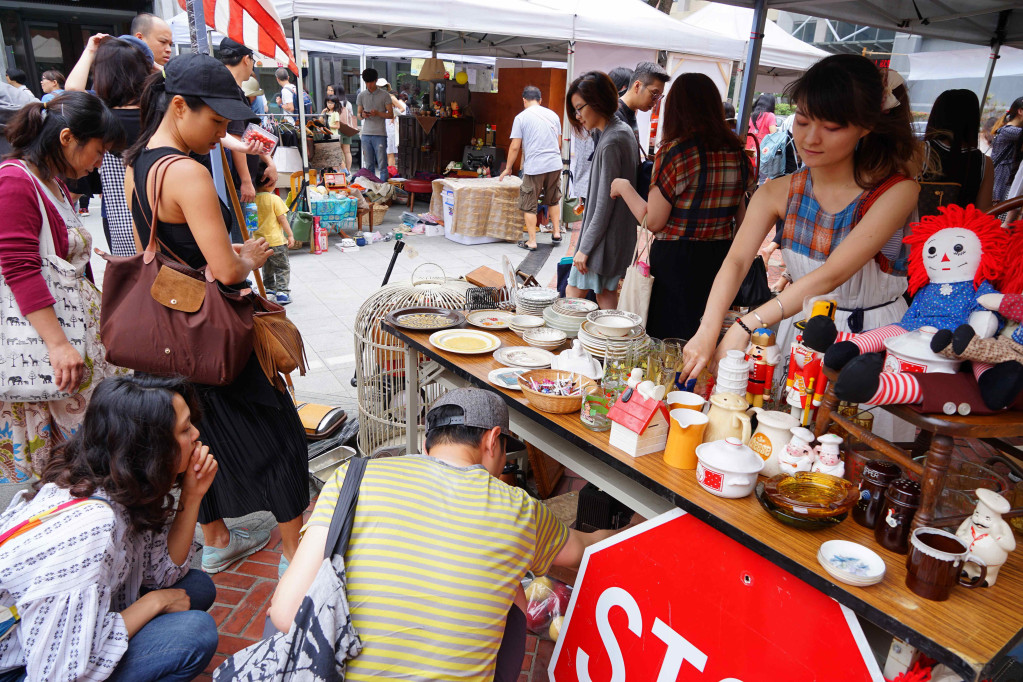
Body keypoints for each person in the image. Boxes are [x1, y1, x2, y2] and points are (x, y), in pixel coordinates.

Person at [269, 388, 611, 681]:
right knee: (515, 597)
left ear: (428, 444)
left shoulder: (354, 475)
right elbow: (578, 551)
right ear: (493, 440)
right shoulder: (520, 508)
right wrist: (618, 531)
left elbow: (284, 615)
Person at [123, 53, 308, 576]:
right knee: (276, 434)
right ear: (179, 106)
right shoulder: (187, 173)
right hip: (215, 334)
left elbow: (151, 252)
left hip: (171, 336)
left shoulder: (141, 162)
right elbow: (226, 270)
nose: (222, 133)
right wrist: (245, 255)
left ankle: (218, 537)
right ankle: (295, 553)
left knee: (194, 439)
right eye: (217, 121)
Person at [680, 56, 920, 433]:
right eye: (804, 121)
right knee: (782, 438)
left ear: (866, 127)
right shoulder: (778, 190)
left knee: (854, 452)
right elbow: (737, 261)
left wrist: (745, 324)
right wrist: (708, 329)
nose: (810, 138)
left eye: (832, 126)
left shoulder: (896, 191)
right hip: (802, 328)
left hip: (871, 335)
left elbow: (832, 274)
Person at [0, 375, 220, 681]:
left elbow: (161, 574)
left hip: (50, 637)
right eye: (184, 429)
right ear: (150, 448)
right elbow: (58, 671)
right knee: (194, 633)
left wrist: (193, 495)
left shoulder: (114, 479)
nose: (197, 434)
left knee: (196, 588)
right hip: (25, 666)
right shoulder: (93, 527)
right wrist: (153, 603)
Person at [0, 91, 126, 486]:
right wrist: (58, 345)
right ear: (68, 138)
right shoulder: (15, 181)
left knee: (90, 456)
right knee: (70, 465)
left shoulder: (52, 183)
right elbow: (19, 269)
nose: (99, 161)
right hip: (50, 347)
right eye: (98, 149)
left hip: (75, 341)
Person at [611, 72, 754, 338]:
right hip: (720, 258)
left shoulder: (675, 152)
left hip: (676, 260)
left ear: (676, 108)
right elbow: (743, 220)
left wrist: (624, 187)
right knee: (705, 333)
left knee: (668, 339)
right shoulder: (738, 154)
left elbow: (654, 221)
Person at [68, 36, 151, 256]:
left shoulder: (102, 115)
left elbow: (72, 89)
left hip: (119, 216)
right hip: (162, 212)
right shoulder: (157, 108)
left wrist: (90, 50)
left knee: (133, 280)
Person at [565, 72, 637, 309]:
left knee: (572, 296)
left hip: (602, 242)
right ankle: (610, 344)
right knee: (606, 297)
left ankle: (567, 343)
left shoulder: (612, 141)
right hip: (612, 238)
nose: (577, 115)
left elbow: (604, 205)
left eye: (579, 108)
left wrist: (584, 248)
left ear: (597, 101)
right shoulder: (619, 132)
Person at [500, 85, 563, 250]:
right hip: (555, 164)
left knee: (529, 203)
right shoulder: (554, 115)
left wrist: (508, 168)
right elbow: (559, 144)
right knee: (553, 199)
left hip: (535, 166)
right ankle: (556, 233)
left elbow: (515, 146)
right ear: (540, 100)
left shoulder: (521, 117)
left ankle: (532, 241)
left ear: (524, 100)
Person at [217, 38, 278, 207]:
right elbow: (237, 138)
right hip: (236, 183)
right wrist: (245, 181)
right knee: (240, 232)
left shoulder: (231, 89)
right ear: (246, 59)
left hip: (237, 180)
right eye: (252, 60)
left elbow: (249, 134)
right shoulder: (230, 92)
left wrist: (269, 162)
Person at [918, 89, 994, 213]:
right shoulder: (985, 163)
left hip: (918, 229)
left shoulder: (921, 151)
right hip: (959, 231)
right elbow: (984, 213)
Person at [254, 161, 295, 304]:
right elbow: (282, 219)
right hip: (277, 241)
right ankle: (282, 292)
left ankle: (269, 289)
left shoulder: (251, 200)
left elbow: (250, 223)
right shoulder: (274, 199)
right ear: (269, 183)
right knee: (282, 267)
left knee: (267, 266)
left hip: (260, 243)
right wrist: (290, 235)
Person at [356, 68, 392, 181]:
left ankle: (384, 189)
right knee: (369, 165)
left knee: (382, 165)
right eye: (366, 82)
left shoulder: (385, 95)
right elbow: (358, 114)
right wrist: (363, 115)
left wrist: (377, 113)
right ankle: (371, 189)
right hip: (366, 133)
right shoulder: (361, 95)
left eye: (371, 82)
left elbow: (390, 115)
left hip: (380, 134)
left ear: (376, 80)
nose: (369, 85)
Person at [616, 61, 669, 139]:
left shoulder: (629, 113)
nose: (655, 103)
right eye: (654, 94)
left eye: (659, 97)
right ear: (637, 86)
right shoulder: (614, 116)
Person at [991, 96, 1023, 205]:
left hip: (1000, 175)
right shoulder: (1011, 131)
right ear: (1020, 111)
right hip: (1002, 176)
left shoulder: (1007, 130)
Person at [378, 78, 406, 169]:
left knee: (390, 151)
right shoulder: (378, 98)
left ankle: (391, 173)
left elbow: (402, 108)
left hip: (389, 125)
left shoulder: (391, 97)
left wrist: (393, 115)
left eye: (383, 87)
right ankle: (389, 172)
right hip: (381, 124)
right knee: (385, 151)